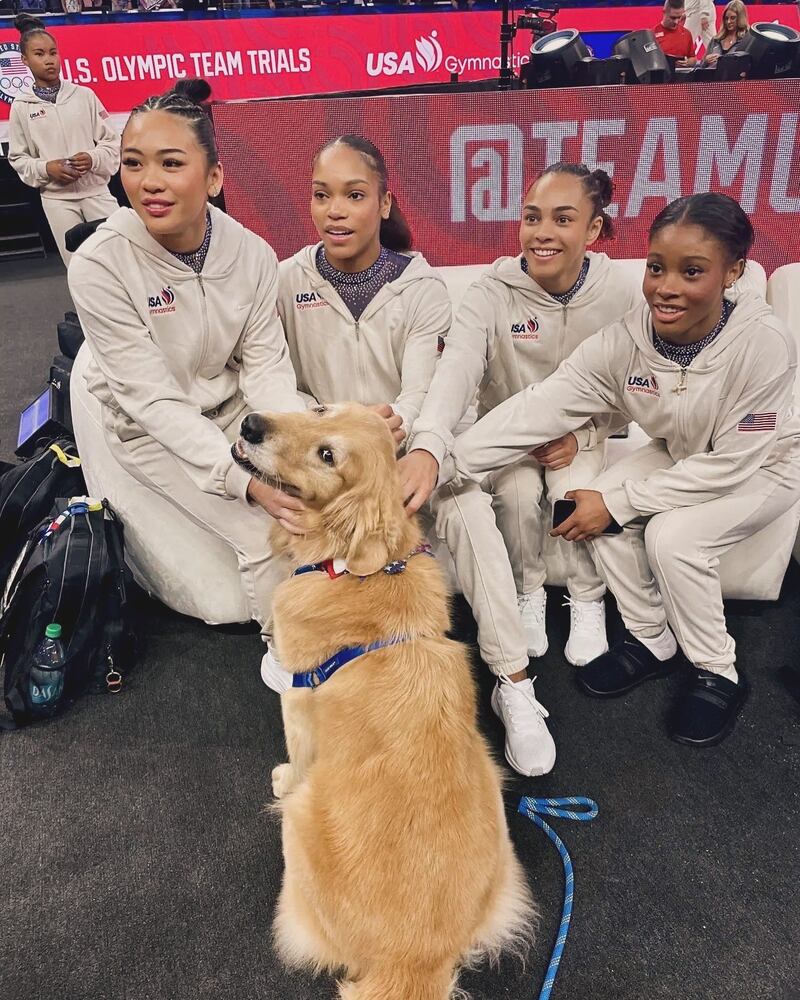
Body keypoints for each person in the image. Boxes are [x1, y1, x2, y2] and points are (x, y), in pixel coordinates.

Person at [451, 193, 800, 748]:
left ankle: (718, 670)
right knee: (585, 502)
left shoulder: (764, 343)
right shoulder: (628, 340)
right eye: (657, 268)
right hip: (684, 451)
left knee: (671, 538)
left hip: (765, 467)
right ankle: (652, 638)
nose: (666, 287)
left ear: (733, 272)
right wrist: (440, 463)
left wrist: (619, 503)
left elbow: (733, 464)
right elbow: (541, 405)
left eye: (692, 272)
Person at [398, 164, 641, 777]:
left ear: (594, 230)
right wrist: (429, 444)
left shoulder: (620, 293)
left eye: (563, 219)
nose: (542, 232)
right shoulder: (491, 291)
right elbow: (456, 373)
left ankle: (586, 600)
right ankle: (528, 594)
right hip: (507, 437)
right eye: (532, 217)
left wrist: (586, 434)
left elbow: (634, 386)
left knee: (574, 489)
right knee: (511, 491)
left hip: (577, 438)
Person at [67, 79, 307, 634]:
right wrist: (243, 481)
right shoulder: (100, 265)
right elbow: (152, 401)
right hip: (146, 431)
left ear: (214, 177)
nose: (149, 181)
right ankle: (286, 655)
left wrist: (287, 446)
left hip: (230, 410)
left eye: (171, 163)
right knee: (265, 535)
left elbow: (266, 367)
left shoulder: (251, 253)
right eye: (133, 163)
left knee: (312, 501)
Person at [266, 134, 452, 687]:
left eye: (354, 195)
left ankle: (511, 676)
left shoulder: (422, 287)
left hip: (400, 453)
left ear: (384, 202)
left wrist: (384, 429)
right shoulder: (287, 279)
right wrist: (334, 422)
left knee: (470, 511)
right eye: (322, 195)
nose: (335, 211)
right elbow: (278, 378)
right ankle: (291, 641)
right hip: (319, 461)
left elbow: (422, 392)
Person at [8, 14, 120, 266]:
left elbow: (112, 144)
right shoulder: (22, 106)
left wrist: (92, 158)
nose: (49, 60)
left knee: (120, 257)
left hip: (97, 193)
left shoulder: (84, 95)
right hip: (57, 201)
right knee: (79, 267)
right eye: (39, 54)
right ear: (24, 59)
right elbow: (18, 158)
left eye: (53, 52)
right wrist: (46, 168)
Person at [653, 0, 697, 66]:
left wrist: (689, 62)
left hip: (681, 72)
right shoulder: (652, 35)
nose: (676, 21)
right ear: (664, 12)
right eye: (673, 18)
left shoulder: (687, 34)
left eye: (679, 17)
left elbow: (693, 58)